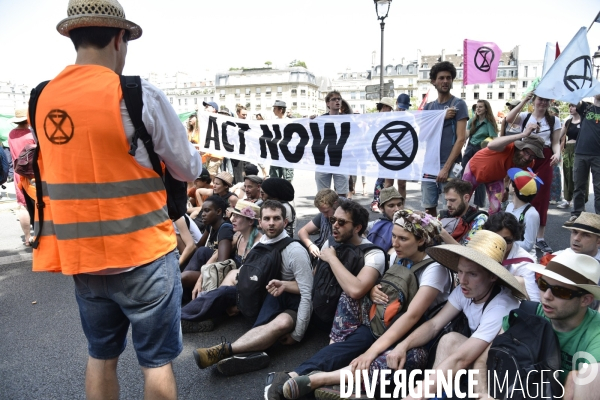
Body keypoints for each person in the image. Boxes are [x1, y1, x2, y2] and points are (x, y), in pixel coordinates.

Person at [31, 1, 202, 398]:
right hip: (144, 254)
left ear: (72, 36)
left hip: (82, 258)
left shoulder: (42, 98)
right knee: (156, 362)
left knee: (101, 356)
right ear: (119, 37)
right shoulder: (136, 94)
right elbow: (188, 169)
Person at [275, 210, 453, 400]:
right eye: (393, 236)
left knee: (402, 359)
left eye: (403, 238)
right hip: (384, 321)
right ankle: (303, 374)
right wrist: (372, 290)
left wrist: (370, 352)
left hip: (413, 333)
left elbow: (412, 316)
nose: (394, 243)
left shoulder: (435, 269)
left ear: (420, 241)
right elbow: (383, 287)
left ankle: (325, 380)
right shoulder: (396, 257)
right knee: (349, 300)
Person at [265, 200, 386, 400]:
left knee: (360, 341)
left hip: (350, 322)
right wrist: (285, 285)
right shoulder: (331, 242)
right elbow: (313, 282)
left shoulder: (373, 254)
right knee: (276, 293)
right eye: (332, 220)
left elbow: (355, 290)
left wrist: (331, 258)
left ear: (357, 227)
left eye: (342, 222)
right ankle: (250, 347)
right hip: (320, 308)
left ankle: (292, 378)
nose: (334, 226)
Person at [393, 230, 526, 399]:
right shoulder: (467, 290)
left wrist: (415, 395)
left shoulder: (500, 305)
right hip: (477, 353)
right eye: (460, 271)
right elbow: (435, 325)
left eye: (472, 274)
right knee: (450, 340)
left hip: (501, 370)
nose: (462, 280)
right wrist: (403, 346)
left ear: (492, 276)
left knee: (455, 347)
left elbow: (462, 359)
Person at [192, 200, 312, 376]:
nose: (271, 223)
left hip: (287, 302)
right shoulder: (260, 242)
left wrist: (298, 334)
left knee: (283, 322)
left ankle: (225, 351)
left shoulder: (295, 251)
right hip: (264, 299)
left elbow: (308, 291)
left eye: (276, 218)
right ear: (260, 222)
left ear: (285, 222)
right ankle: (192, 318)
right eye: (267, 219)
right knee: (229, 282)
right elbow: (248, 274)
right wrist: (239, 300)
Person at [476, 252, 600, 399]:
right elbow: (483, 360)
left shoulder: (595, 335)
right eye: (543, 284)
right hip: (512, 389)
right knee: (450, 339)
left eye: (560, 291)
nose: (546, 296)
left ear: (585, 300)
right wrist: (483, 394)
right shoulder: (528, 312)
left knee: (583, 377)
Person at [180, 199, 262, 333]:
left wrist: (239, 305)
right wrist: (202, 277)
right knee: (203, 252)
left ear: (250, 221)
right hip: (229, 277)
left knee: (220, 292)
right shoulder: (239, 236)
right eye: (233, 215)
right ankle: (189, 303)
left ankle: (179, 318)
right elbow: (216, 254)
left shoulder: (258, 245)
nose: (232, 219)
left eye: (238, 216)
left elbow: (253, 283)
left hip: (242, 287)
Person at [505, 92, 562, 253]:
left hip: (545, 159)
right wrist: (524, 100)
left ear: (549, 102)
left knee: (542, 197)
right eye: (540, 99)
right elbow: (509, 119)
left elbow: (556, 143)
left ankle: (540, 238)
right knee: (519, 192)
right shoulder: (525, 116)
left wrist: (557, 154)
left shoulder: (554, 120)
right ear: (534, 100)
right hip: (526, 156)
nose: (542, 103)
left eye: (546, 100)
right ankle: (515, 231)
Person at [421, 61, 468, 217]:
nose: (445, 81)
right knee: (429, 208)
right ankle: (433, 239)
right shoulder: (428, 107)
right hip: (429, 164)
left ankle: (450, 240)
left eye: (449, 78)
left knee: (451, 209)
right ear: (434, 81)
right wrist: (441, 117)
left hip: (449, 164)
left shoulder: (458, 104)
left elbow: (461, 139)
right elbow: (423, 134)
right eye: (441, 78)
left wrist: (446, 168)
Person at [463, 130, 545, 215]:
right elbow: (491, 145)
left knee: (496, 208)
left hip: (495, 178)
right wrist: (523, 134)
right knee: (462, 201)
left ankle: (488, 226)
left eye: (532, 156)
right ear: (521, 147)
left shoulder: (529, 163)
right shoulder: (509, 147)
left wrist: (506, 190)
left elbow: (515, 176)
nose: (527, 158)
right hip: (474, 169)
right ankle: (458, 224)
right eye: (526, 152)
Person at [180, 195, 233, 300]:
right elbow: (198, 246)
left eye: (207, 211)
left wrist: (199, 277)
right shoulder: (211, 226)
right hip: (207, 266)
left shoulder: (225, 228)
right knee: (197, 252)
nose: (202, 215)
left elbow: (222, 263)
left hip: (218, 272)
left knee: (184, 276)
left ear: (218, 212)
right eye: (202, 211)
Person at [482, 212, 539, 301]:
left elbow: (534, 300)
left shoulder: (525, 264)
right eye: (496, 240)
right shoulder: (483, 248)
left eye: (507, 241)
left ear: (515, 237)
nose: (500, 245)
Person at [462, 100, 499, 208]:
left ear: (486, 108)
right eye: (477, 107)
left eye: (480, 107)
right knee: (464, 177)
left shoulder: (489, 123)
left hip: (481, 151)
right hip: (470, 149)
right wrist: (460, 141)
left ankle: (478, 206)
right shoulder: (473, 121)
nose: (477, 109)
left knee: (479, 178)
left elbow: (494, 139)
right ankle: (463, 205)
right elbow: (467, 134)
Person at [7, 108, 35, 246]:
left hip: (18, 174)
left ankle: (27, 237)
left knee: (22, 206)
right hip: (32, 174)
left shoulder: (11, 134)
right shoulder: (31, 134)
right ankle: (40, 235)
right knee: (38, 205)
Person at [314, 91, 350, 197]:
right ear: (327, 103)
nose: (337, 101)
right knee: (323, 195)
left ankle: (341, 213)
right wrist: (310, 121)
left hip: (341, 161)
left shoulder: (347, 119)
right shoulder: (320, 120)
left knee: (342, 194)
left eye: (339, 99)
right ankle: (326, 214)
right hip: (323, 162)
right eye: (334, 99)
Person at [438, 180, 488, 245]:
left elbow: (468, 252)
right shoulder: (443, 215)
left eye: (452, 200)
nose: (448, 205)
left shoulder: (480, 219)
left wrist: (443, 234)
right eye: (447, 200)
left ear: (466, 198)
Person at [505, 168, 542, 258]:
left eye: (510, 182)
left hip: (524, 261)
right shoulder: (509, 206)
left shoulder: (531, 214)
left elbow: (527, 246)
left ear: (514, 188)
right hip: (509, 255)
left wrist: (504, 241)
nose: (508, 184)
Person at [370, 97, 397, 213]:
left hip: (391, 151)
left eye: (389, 107)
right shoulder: (376, 119)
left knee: (388, 178)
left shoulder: (391, 119)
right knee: (382, 177)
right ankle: (377, 201)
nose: (387, 109)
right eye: (386, 107)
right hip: (381, 152)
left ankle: (384, 201)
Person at [298, 189, 341, 259]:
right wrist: (310, 245)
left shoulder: (347, 213)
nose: (324, 216)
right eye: (322, 212)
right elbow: (302, 231)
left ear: (335, 204)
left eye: (326, 212)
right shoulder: (324, 215)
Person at [558, 103, 584, 210]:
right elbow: (558, 136)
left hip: (580, 150)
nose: (571, 108)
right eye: (570, 106)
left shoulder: (584, 121)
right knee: (567, 174)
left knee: (578, 176)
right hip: (568, 150)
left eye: (573, 106)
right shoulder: (568, 122)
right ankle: (568, 199)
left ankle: (578, 200)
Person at [365, 186, 404, 251]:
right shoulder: (376, 224)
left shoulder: (413, 218)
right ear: (381, 208)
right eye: (391, 206)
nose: (397, 209)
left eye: (399, 205)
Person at [269, 100, 294, 182]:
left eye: (275, 108)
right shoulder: (273, 122)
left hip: (287, 153)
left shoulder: (290, 122)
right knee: (275, 177)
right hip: (276, 153)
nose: (273, 110)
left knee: (287, 178)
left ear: (280, 110)